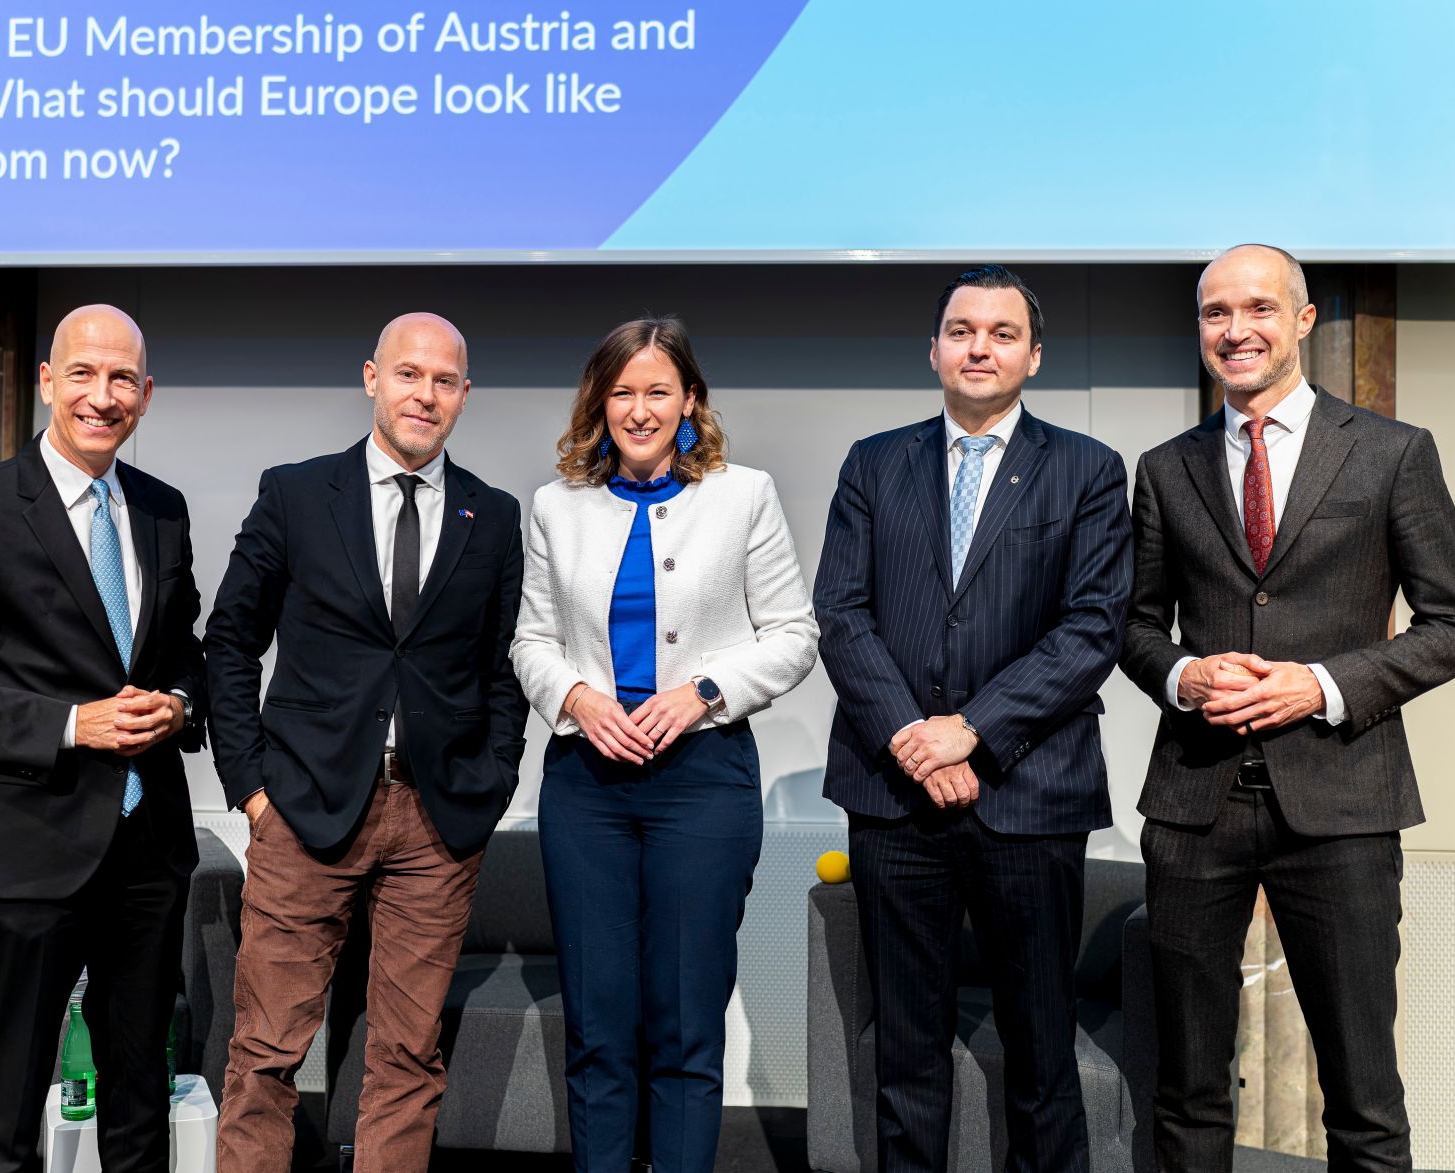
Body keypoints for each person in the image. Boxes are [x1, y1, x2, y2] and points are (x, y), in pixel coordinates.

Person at [1121, 243, 1455, 1169]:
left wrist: (1320, 685)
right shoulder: (1165, 468)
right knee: (1187, 1089)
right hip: (1193, 806)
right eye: (1214, 314)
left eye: (1257, 308)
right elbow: (1131, 629)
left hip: (1345, 804)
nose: (1235, 330)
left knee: (1364, 1095)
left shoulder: (1394, 453)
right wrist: (1182, 676)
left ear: (1304, 319)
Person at [814, 265, 1132, 1172]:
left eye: (999, 332)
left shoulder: (1086, 470)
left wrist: (973, 731)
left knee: (1040, 1050)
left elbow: (1092, 628)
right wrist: (918, 744)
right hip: (893, 798)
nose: (978, 347)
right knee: (906, 1051)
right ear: (933, 349)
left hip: (1029, 795)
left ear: (1034, 353)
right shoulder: (874, 462)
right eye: (960, 330)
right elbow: (841, 613)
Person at [0, 305, 206, 1173]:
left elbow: (187, 656)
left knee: (142, 1113)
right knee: (4, 1122)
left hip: (147, 856)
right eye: (84, 375)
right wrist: (71, 724)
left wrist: (178, 703)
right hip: (28, 859)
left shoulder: (164, 512)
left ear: (146, 392)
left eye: (122, 379)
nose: (103, 397)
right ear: (47, 382)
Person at [206, 312, 526, 1173]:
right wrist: (251, 788)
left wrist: (489, 786)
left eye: (445, 379)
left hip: (435, 821)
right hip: (303, 813)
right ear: (372, 378)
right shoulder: (298, 492)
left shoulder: (491, 516)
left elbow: (503, 669)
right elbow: (229, 641)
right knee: (267, 1052)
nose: (425, 393)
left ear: (464, 395)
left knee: (407, 1060)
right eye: (409, 373)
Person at [511, 316, 818, 1172]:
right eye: (622, 392)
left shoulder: (744, 495)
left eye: (657, 391)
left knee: (686, 1025)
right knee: (600, 1024)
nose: (639, 409)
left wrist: (703, 693)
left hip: (703, 779)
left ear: (690, 400)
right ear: (598, 402)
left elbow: (795, 634)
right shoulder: (555, 505)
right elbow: (530, 641)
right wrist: (574, 695)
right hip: (588, 781)